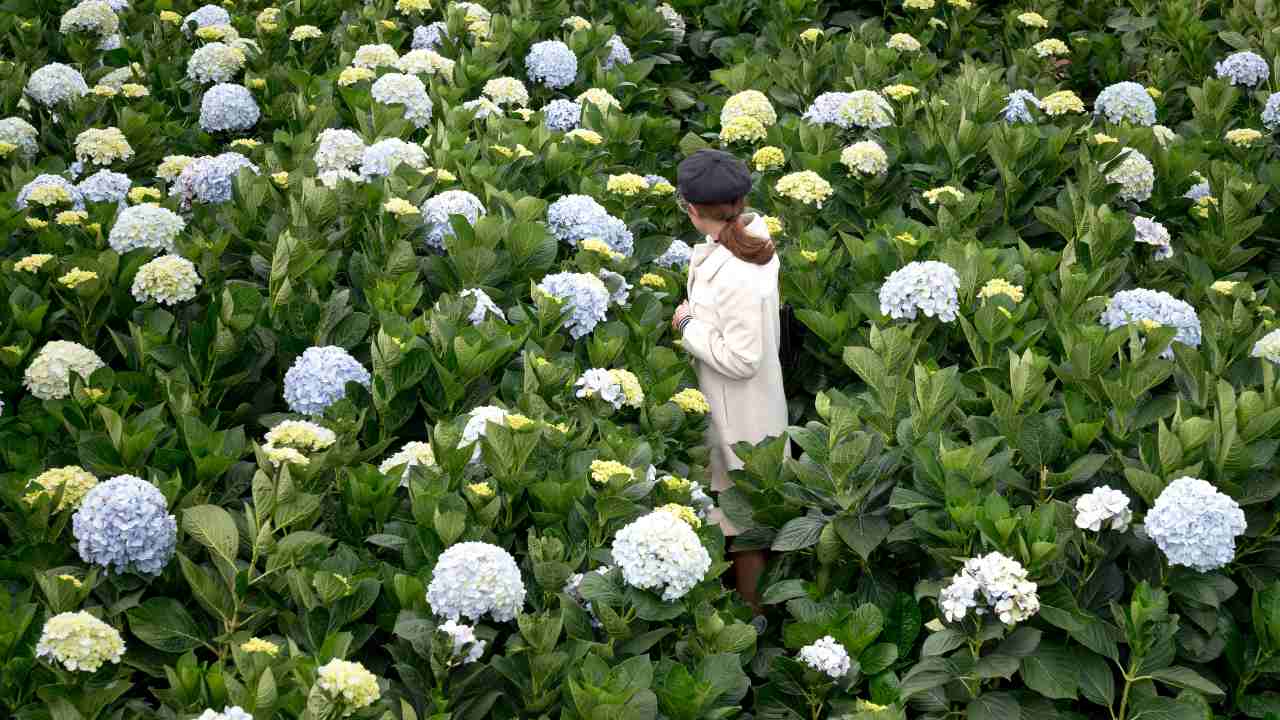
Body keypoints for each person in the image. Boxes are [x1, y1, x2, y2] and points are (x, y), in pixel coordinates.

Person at [670, 149, 788, 612]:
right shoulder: (746, 242)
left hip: (740, 416)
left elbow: (742, 359)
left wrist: (687, 326)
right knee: (736, 523)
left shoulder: (738, 269)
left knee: (744, 532)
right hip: (737, 407)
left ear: (693, 210)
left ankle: (751, 630)